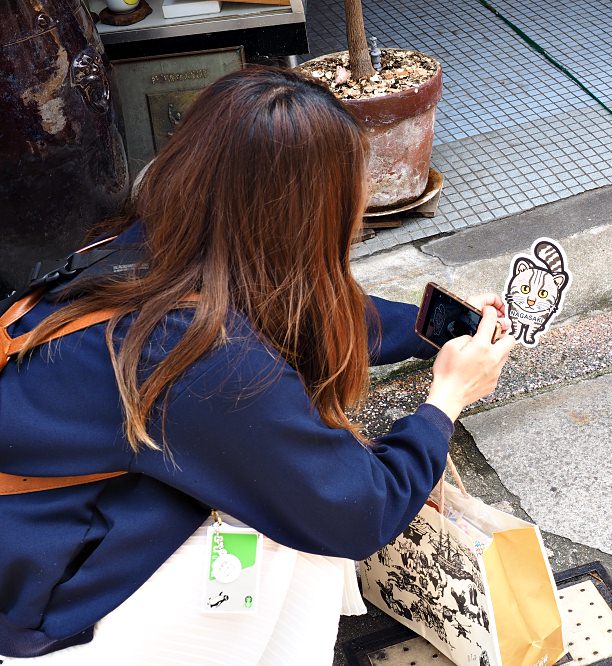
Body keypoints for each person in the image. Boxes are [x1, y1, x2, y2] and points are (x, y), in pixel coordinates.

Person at [0, 66, 515, 662]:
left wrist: (432, 331)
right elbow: (357, 509)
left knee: (286, 466)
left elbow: (296, 306)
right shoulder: (201, 360)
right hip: (38, 589)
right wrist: (445, 401)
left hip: (35, 522)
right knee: (301, 527)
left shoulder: (150, 246)